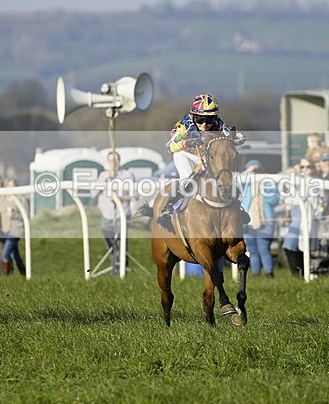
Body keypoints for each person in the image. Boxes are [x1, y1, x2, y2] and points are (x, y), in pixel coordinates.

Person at [155, 93, 245, 230]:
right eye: (200, 119)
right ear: (193, 116)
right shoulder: (185, 124)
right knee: (187, 181)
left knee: (223, 178)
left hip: (205, 157)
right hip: (185, 156)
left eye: (209, 120)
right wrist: (187, 142)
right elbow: (169, 146)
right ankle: (167, 211)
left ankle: (237, 207)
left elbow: (240, 137)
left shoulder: (218, 123)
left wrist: (232, 138)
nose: (204, 124)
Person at [93, 151, 137, 276]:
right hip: (108, 215)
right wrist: (104, 180)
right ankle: (116, 265)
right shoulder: (103, 175)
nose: (114, 163)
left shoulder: (127, 175)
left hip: (122, 214)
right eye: (111, 161)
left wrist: (120, 198)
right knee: (108, 237)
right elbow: (93, 193)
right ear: (108, 162)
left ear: (119, 161)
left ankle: (120, 268)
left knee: (120, 240)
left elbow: (135, 196)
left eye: (116, 160)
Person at [241, 159, 279, 278]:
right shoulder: (245, 184)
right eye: (253, 171)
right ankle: (255, 274)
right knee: (252, 250)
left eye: (257, 170)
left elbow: (275, 199)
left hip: (266, 221)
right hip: (249, 223)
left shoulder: (268, 183)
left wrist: (263, 193)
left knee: (264, 249)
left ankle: (269, 273)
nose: (256, 173)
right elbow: (236, 182)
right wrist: (247, 172)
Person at [0, 177, 27, 276]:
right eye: (9, 186)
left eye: (13, 186)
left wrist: (13, 215)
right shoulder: (3, 198)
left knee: (5, 254)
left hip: (16, 230)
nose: (10, 188)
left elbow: (26, 215)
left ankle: (6, 276)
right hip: (5, 229)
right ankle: (24, 274)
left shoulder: (21, 199)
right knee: (15, 255)